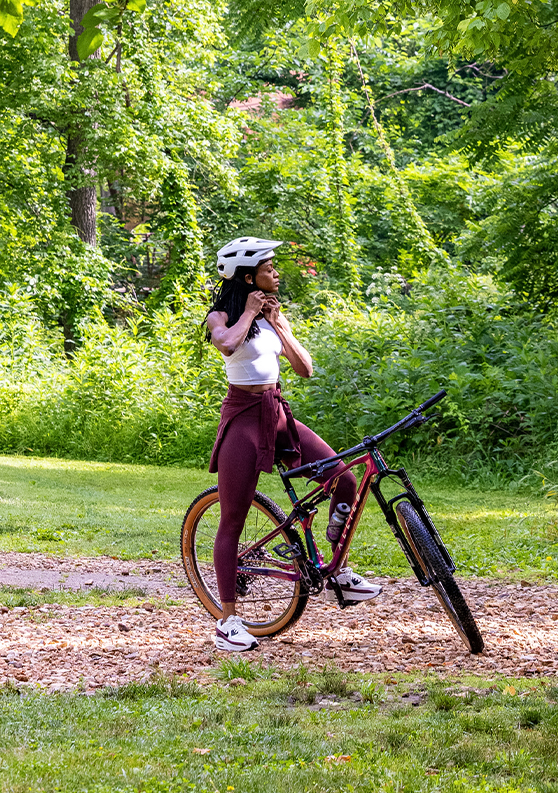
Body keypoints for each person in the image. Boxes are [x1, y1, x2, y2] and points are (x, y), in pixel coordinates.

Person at [206, 236, 381, 652]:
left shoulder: (270, 318)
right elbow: (227, 344)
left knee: (344, 479)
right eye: (269, 268)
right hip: (242, 419)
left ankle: (337, 570)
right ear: (249, 277)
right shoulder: (220, 316)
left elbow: (304, 368)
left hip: (277, 413)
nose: (276, 273)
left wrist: (279, 325)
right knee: (233, 517)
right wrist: (249, 312)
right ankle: (228, 621)